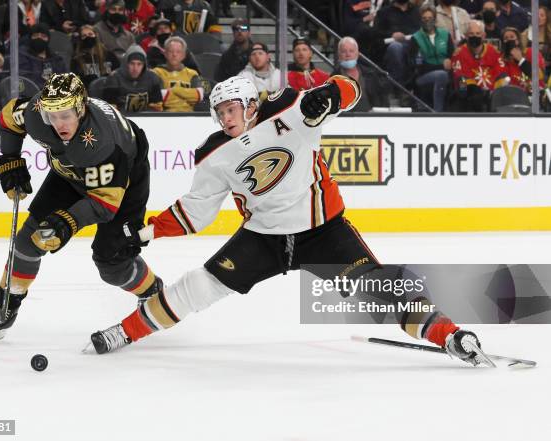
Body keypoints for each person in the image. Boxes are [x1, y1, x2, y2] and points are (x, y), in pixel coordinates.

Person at [87, 74, 488, 369]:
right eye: (220, 112)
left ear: (250, 104)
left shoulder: (291, 109)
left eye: (232, 109)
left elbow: (350, 90)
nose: (226, 118)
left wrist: (330, 93)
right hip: (264, 239)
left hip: (323, 231)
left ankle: (449, 335)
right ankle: (126, 330)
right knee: (198, 285)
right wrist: (144, 230)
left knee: (376, 286)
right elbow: (195, 211)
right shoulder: (214, 154)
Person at [0, 73, 157, 344]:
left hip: (123, 179)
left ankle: (152, 291)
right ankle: (5, 307)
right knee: (28, 240)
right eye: (52, 116)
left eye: (66, 115)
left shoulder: (103, 142)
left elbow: (104, 204)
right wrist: (10, 158)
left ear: (81, 108)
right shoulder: (36, 113)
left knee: (111, 263)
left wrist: (67, 221)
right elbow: (9, 117)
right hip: (69, 171)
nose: (59, 124)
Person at [451, 20, 505, 111]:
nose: (474, 36)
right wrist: (473, 91)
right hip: (469, 95)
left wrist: (495, 91)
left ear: (483, 35)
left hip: (492, 93)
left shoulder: (493, 51)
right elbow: (459, 76)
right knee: (462, 84)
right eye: (471, 34)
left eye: (478, 33)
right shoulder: (459, 53)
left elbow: (501, 71)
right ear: (466, 36)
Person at [408, 5, 453, 111]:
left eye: (430, 18)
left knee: (460, 78)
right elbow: (418, 65)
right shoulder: (415, 38)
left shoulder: (445, 34)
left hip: (447, 72)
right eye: (424, 18)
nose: (427, 21)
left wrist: (450, 61)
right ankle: (437, 112)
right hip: (423, 76)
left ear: (435, 19)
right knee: (441, 75)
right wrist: (442, 66)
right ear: (420, 20)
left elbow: (452, 56)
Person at [332, 36, 390, 111]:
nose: (348, 55)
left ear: (357, 54)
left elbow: (382, 100)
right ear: (339, 55)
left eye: (351, 51)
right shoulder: (332, 80)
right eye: (344, 51)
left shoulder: (371, 75)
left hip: (370, 118)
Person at [104, 44, 163, 111]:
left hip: (146, 118)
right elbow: (109, 109)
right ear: (126, 64)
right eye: (132, 63)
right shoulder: (114, 78)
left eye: (139, 64)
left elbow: (157, 107)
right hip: (121, 117)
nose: (135, 68)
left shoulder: (153, 78)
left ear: (144, 65)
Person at [152, 36, 204, 111]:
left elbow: (199, 95)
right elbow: (159, 97)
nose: (174, 55)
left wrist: (174, 90)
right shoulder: (156, 73)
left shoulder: (192, 73)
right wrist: (187, 97)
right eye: (171, 51)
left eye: (178, 52)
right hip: (164, 117)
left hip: (189, 117)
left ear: (184, 55)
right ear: (165, 53)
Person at [375, 0, 420, 85]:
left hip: (414, 47)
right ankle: (398, 89)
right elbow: (376, 35)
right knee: (396, 47)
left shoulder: (416, 11)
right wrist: (392, 35)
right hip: (391, 49)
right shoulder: (384, 12)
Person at [18, 23, 68, 87]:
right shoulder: (22, 56)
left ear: (48, 39)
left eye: (43, 36)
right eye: (35, 35)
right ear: (30, 38)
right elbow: (24, 80)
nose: (39, 38)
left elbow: (64, 80)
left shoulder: (57, 59)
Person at [500, 27, 545, 93]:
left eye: (512, 37)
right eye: (506, 38)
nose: (509, 39)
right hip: (512, 95)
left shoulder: (531, 52)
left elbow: (539, 76)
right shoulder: (501, 59)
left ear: (518, 40)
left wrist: (521, 60)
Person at [214, 18, 252, 82]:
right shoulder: (227, 56)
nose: (239, 31)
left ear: (249, 33)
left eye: (243, 28)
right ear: (233, 33)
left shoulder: (257, 53)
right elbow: (219, 78)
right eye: (236, 29)